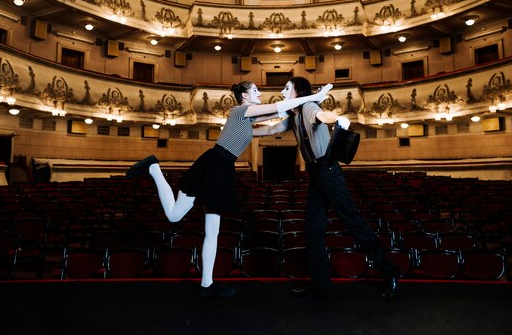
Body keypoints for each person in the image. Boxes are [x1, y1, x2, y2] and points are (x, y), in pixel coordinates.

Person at [126, 80, 332, 298]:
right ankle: (155, 168)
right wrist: (314, 98)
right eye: (255, 90)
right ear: (244, 96)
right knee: (174, 216)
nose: (259, 93)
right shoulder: (240, 110)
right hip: (214, 164)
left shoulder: (248, 119)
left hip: (222, 168)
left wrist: (302, 111)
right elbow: (277, 108)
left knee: (212, 230)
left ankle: (207, 284)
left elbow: (276, 121)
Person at [253, 76, 400, 299]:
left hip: (328, 171)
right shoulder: (294, 116)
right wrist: (241, 131)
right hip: (316, 174)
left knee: (353, 222)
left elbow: (322, 115)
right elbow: (268, 131)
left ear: (299, 91)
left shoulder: (309, 106)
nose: (282, 93)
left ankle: (390, 272)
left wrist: (338, 118)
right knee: (313, 229)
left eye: (286, 88)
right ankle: (320, 285)